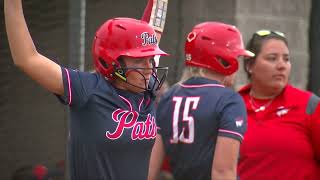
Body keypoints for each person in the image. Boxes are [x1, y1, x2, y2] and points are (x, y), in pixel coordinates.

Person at [4, 0, 169, 179]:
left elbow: (155, 23)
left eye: (151, 58)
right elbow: (26, 58)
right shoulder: (88, 88)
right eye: (139, 60)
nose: (150, 67)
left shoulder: (147, 85)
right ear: (112, 62)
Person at [148, 22, 254, 180]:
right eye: (236, 56)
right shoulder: (229, 100)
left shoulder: (169, 96)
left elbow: (150, 169)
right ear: (222, 59)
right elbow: (223, 172)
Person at [237, 29, 320, 180]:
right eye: (272, 58)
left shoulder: (309, 105)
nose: (281, 65)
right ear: (249, 65)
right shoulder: (232, 106)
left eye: (286, 59)